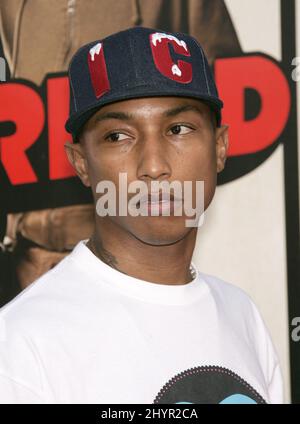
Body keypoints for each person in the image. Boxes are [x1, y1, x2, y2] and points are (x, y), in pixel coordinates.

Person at [0, 27, 283, 404]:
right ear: (82, 163)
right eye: (118, 136)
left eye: (178, 129)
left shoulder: (241, 313)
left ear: (219, 148)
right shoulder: (21, 344)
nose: (153, 166)